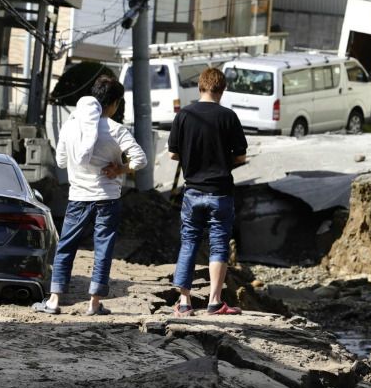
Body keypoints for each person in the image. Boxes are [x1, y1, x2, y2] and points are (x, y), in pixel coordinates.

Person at [34, 76, 147, 316]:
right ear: (115, 103)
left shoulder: (70, 126)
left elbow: (61, 162)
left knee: (66, 246)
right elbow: (141, 160)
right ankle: (94, 304)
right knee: (103, 248)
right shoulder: (117, 130)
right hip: (107, 197)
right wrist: (120, 169)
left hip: (77, 197)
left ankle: (54, 300)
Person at [167, 67, 247, 316]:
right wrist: (223, 160)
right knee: (219, 244)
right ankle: (214, 301)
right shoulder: (228, 116)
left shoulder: (184, 115)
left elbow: (173, 153)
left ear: (200, 87)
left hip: (192, 191)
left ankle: (184, 302)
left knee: (189, 241)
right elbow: (241, 156)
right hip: (220, 191)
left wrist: (191, 158)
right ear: (222, 90)